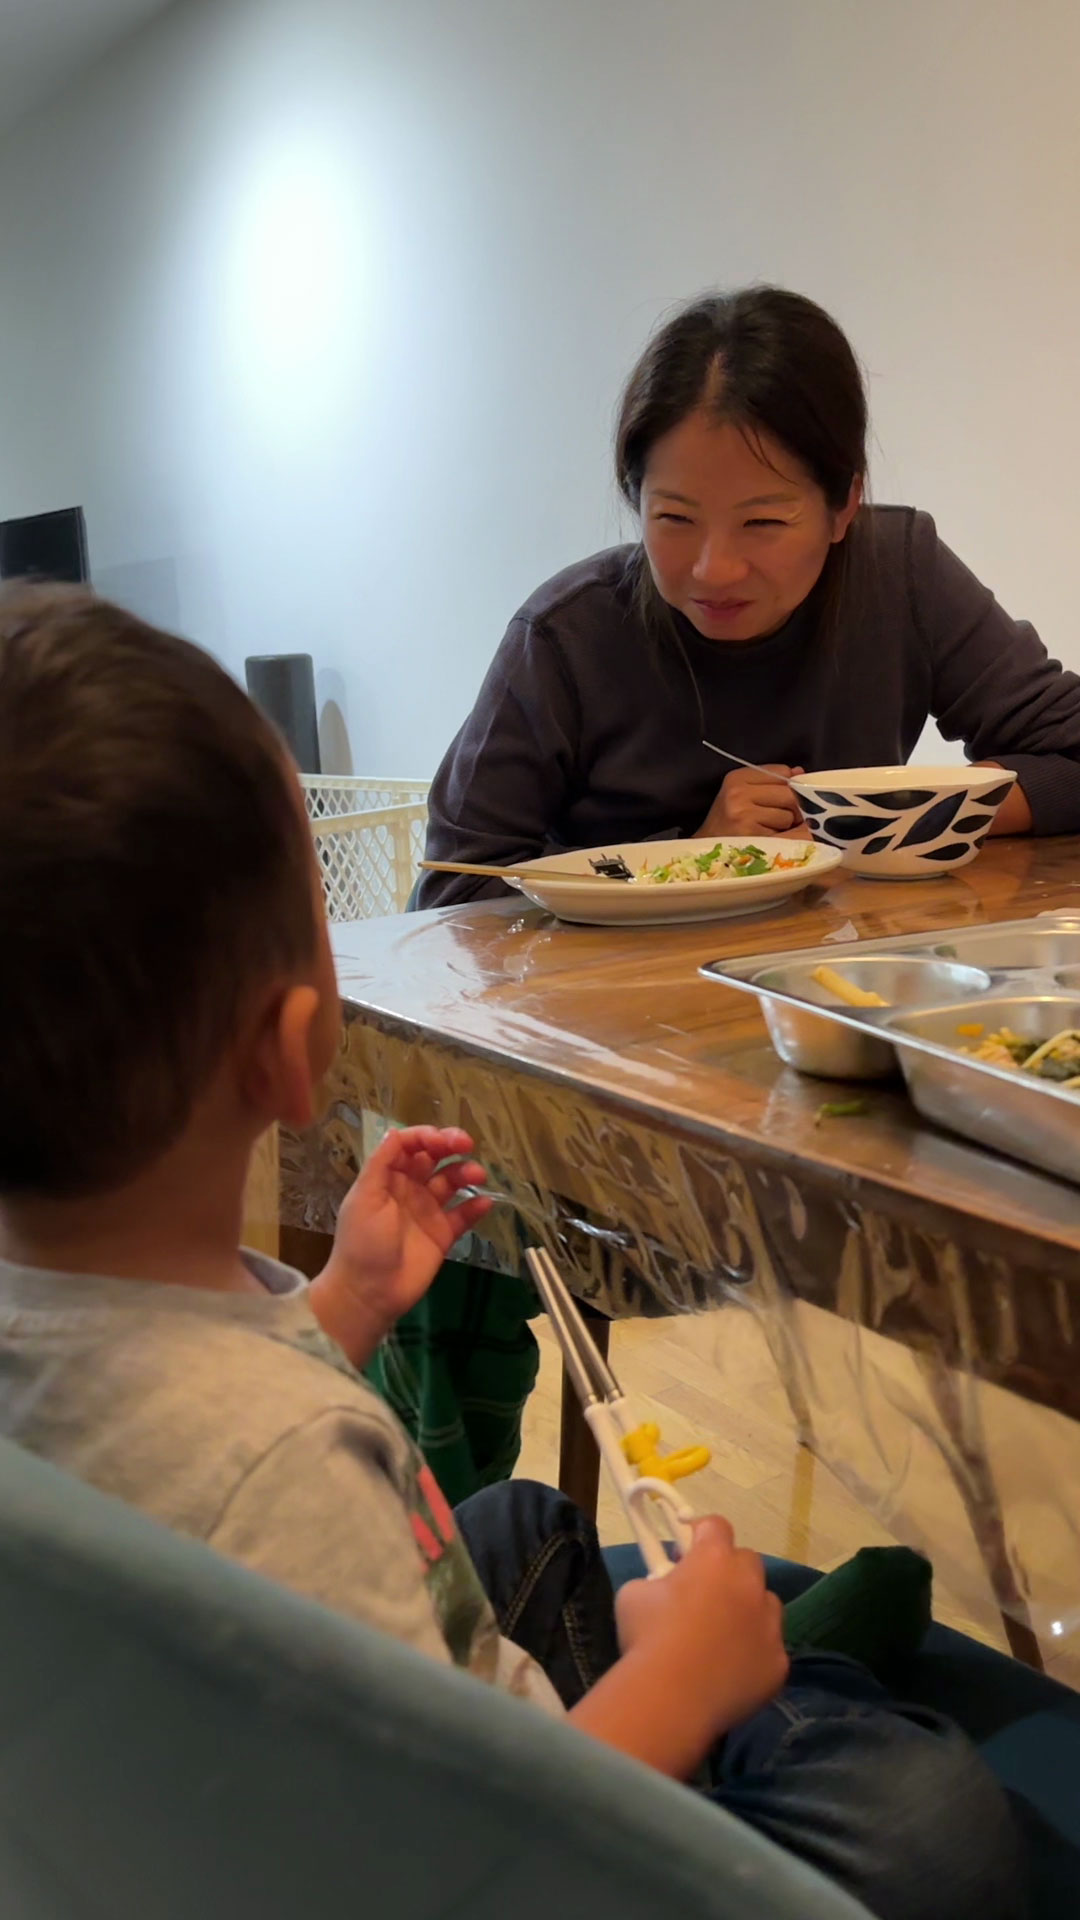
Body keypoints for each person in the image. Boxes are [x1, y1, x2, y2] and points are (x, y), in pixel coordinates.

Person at [0, 583, 1023, 1920]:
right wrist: (675, 1690)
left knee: (521, 1524)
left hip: (281, 1733)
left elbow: (180, 1443)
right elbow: (434, 1872)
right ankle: (784, 1686)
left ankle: (764, 1674)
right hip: (511, 1837)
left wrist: (346, 1305)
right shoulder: (285, 1473)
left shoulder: (85, 1332)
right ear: (292, 1045)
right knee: (934, 1831)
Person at [418, 285, 1080, 909]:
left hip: (839, 984)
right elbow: (454, 893)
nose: (714, 571)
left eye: (763, 522)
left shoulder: (899, 574)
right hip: (620, 1015)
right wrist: (693, 860)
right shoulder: (566, 637)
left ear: (844, 506)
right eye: (674, 519)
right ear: (635, 498)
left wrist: (878, 819)